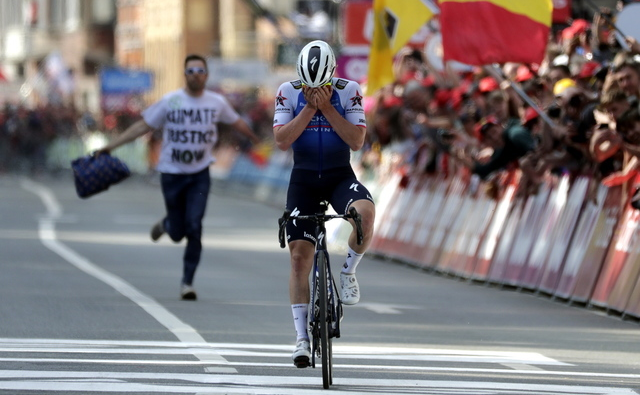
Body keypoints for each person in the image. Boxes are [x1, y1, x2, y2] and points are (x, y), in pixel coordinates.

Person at [97, 54, 260, 300]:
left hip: (200, 174)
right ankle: (167, 225)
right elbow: (143, 126)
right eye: (191, 71)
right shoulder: (171, 101)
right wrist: (112, 146)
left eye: (200, 71)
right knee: (177, 233)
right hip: (172, 173)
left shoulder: (216, 102)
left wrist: (260, 143)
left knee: (194, 226)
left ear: (206, 75)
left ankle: (187, 282)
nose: (196, 75)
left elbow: (238, 124)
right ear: (185, 75)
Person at [272, 40, 375, 368]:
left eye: (320, 87)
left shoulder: (349, 90)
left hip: (338, 175)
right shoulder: (288, 91)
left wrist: (329, 108)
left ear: (332, 76)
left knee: (365, 212)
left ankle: (348, 271)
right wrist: (309, 108)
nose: (313, 90)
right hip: (302, 179)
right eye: (307, 86)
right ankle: (302, 338)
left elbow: (357, 141)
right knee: (299, 260)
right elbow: (281, 140)